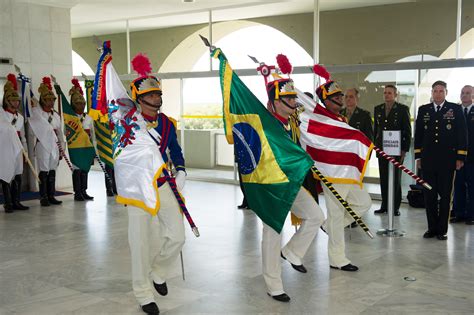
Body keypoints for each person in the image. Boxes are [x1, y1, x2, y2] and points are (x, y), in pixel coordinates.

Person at [103, 51, 186, 315]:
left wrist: (182, 170)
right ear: (138, 98)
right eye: (151, 95)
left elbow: (175, 150)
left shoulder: (167, 123)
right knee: (139, 243)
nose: (156, 98)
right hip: (137, 186)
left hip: (163, 183)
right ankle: (142, 293)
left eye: (158, 94)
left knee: (177, 236)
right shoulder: (128, 124)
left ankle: (158, 272)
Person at [262, 76, 325, 302]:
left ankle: (292, 252)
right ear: (276, 102)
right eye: (288, 97)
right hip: (272, 185)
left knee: (316, 216)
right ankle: (273, 284)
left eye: (293, 96)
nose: (293, 101)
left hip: (292, 183)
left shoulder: (293, 122)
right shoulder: (268, 125)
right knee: (273, 232)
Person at [315, 80, 372, 272]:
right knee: (337, 214)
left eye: (341, 96)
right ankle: (337, 258)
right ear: (326, 101)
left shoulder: (341, 118)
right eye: (335, 97)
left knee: (363, 203)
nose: (340, 99)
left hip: (347, 172)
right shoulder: (322, 119)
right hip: (332, 174)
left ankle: (327, 226)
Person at [415, 80, 467, 240]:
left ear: (446, 92)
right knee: (429, 195)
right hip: (428, 161)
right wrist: (418, 156)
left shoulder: (455, 109)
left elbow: (462, 134)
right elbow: (418, 135)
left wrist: (460, 156)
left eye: (441, 91)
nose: (438, 94)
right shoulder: (424, 110)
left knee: (445, 196)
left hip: (448, 161)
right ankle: (431, 228)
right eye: (435, 91)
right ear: (432, 93)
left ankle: (442, 230)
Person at [373, 85, 411, 216]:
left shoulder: (402, 109)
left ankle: (395, 207)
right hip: (382, 148)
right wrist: (375, 147)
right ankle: (384, 205)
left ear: (395, 94)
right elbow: (376, 130)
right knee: (384, 178)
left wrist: (404, 150)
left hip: (396, 149)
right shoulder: (378, 109)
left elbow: (407, 130)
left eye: (389, 93)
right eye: (385, 93)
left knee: (395, 179)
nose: (387, 95)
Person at [34, 77, 65, 206]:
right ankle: (43, 196)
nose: (51, 102)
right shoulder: (37, 113)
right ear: (42, 100)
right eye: (48, 100)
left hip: (54, 145)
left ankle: (51, 195)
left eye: (53, 99)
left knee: (52, 170)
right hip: (43, 144)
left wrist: (62, 148)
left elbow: (59, 132)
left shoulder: (56, 115)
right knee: (44, 171)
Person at [1, 73, 29, 212]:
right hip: (5, 148)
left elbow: (23, 136)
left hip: (18, 147)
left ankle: (16, 201)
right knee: (6, 174)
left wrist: (25, 151)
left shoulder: (20, 117)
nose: (16, 103)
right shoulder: (1, 115)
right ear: (7, 101)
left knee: (18, 174)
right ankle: (8, 203)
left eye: (17, 100)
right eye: (13, 100)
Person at [68, 79, 94, 201]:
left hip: (86, 147)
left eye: (83, 104)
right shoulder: (70, 118)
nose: (82, 106)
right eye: (78, 104)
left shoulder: (87, 117)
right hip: (75, 147)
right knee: (77, 170)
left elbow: (91, 133)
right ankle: (77, 192)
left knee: (85, 170)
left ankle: (84, 191)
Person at [451, 85, 474, 225]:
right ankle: (458, 213)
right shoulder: (454, 111)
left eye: (468, 93)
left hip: (472, 158)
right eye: (462, 93)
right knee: (458, 185)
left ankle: (471, 215)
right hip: (457, 158)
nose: (464, 95)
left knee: (472, 187)